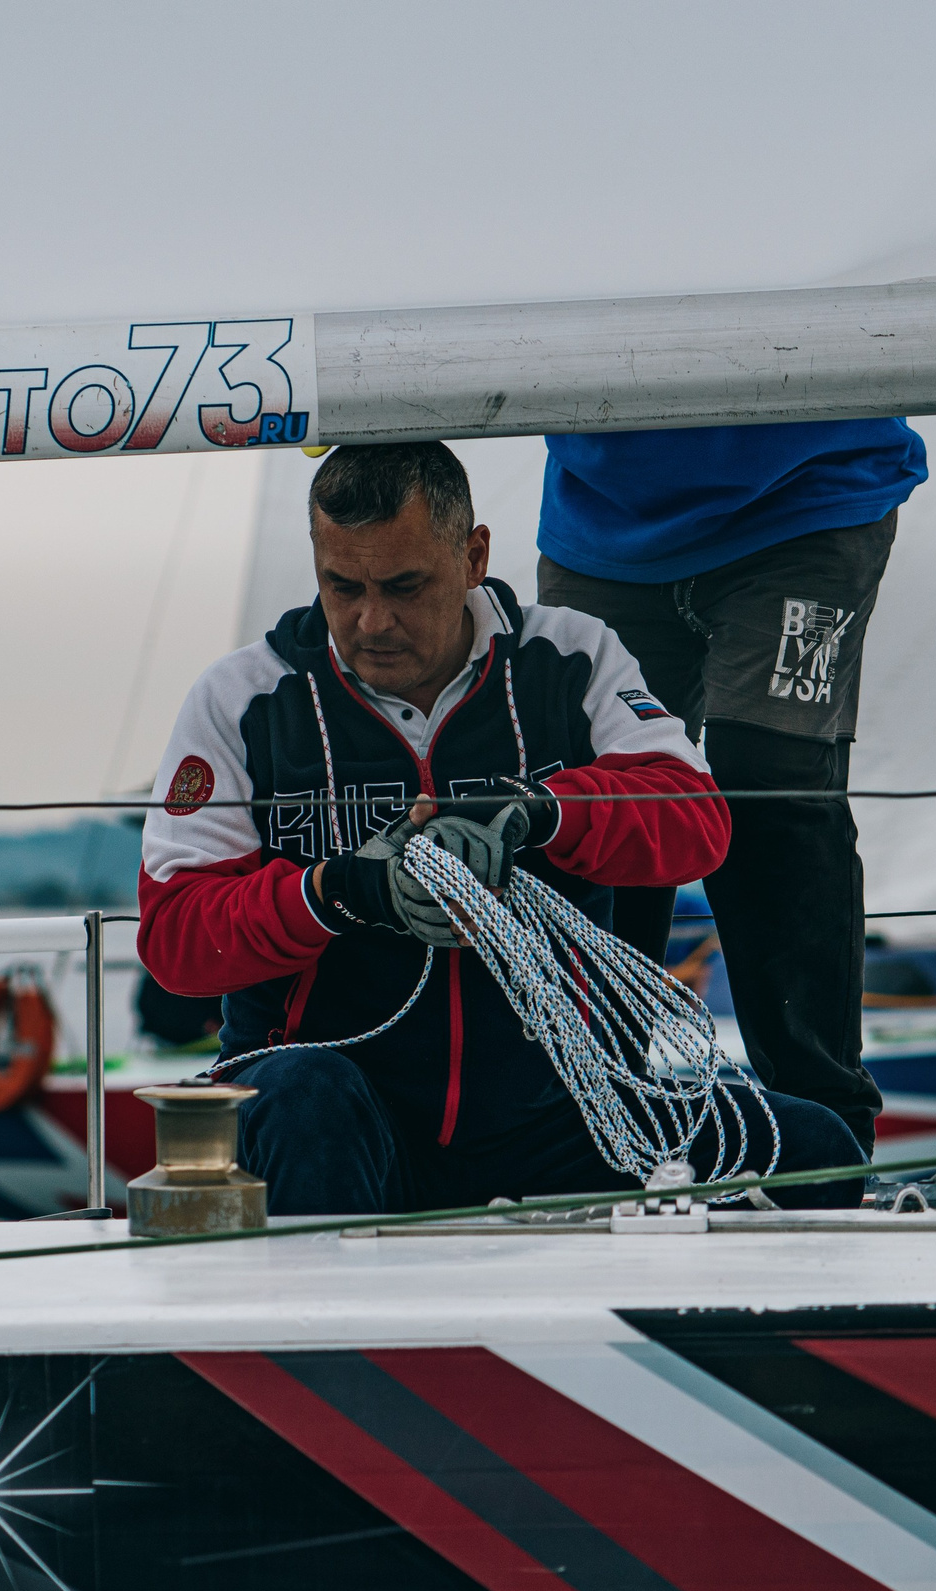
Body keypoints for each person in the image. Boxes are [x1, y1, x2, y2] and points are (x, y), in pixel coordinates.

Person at [136, 442, 864, 1214]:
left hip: (562, 1116)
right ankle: (329, 1335)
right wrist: (343, 889)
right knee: (301, 1094)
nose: (370, 620)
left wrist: (535, 812)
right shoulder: (242, 700)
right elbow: (176, 938)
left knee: (820, 1152)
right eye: (340, 586)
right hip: (342, 1113)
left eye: (404, 586)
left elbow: (695, 819)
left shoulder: (569, 655)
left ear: (474, 555)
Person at [535, 421, 928, 1143]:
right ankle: (591, 1123)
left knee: (770, 789)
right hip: (606, 514)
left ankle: (826, 1133)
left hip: (810, 494)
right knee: (600, 802)